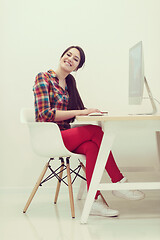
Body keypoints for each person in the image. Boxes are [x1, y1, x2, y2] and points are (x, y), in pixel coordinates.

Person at [33, 46, 145, 217]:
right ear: (62, 56)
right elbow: (45, 114)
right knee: (95, 132)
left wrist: (89, 111)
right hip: (49, 137)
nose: (70, 59)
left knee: (92, 147)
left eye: (75, 59)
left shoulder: (70, 82)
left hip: (64, 136)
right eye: (68, 55)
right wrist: (80, 112)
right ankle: (118, 182)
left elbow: (77, 109)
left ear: (77, 67)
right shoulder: (44, 78)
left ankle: (94, 201)